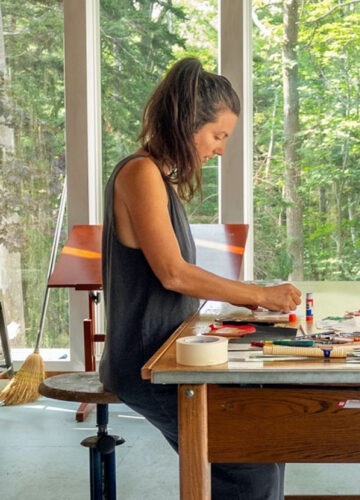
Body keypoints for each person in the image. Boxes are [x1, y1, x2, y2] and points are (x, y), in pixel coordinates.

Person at [99, 57, 301, 499]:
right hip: (145, 364)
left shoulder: (160, 178)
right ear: (187, 123)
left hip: (172, 353)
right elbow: (174, 274)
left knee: (264, 442)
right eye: (218, 135)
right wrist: (258, 296)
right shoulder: (140, 174)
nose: (221, 149)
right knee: (248, 463)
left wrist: (247, 305)